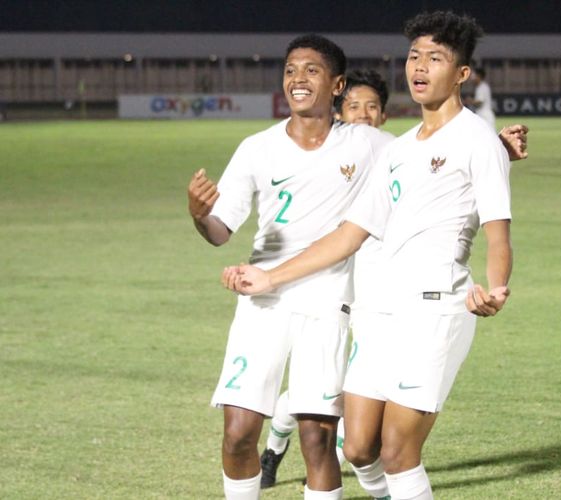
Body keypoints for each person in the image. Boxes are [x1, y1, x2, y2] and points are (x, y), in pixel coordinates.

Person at [223, 11, 512, 500]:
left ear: (461, 74)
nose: (419, 67)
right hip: (377, 310)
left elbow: (498, 231)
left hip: (434, 308)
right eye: (414, 56)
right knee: (357, 448)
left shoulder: (477, 139)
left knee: (399, 452)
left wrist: (497, 286)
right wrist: (270, 278)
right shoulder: (397, 150)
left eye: (435, 58)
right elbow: (349, 234)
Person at [187, 34, 392, 500]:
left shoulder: (367, 143)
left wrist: (496, 150)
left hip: (327, 303)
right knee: (238, 431)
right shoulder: (258, 148)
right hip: (263, 300)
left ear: (338, 84)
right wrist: (200, 215)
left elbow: (425, 156)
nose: (298, 79)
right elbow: (221, 231)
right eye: (291, 70)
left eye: (312, 70)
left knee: (317, 440)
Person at [258, 67, 394, 490]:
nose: (364, 114)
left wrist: (492, 148)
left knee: (328, 386)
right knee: (321, 388)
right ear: (338, 110)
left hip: (373, 289)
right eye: (354, 106)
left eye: (372, 107)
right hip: (326, 287)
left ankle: (282, 449)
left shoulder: (389, 154)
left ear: (384, 116)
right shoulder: (320, 155)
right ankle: (276, 450)